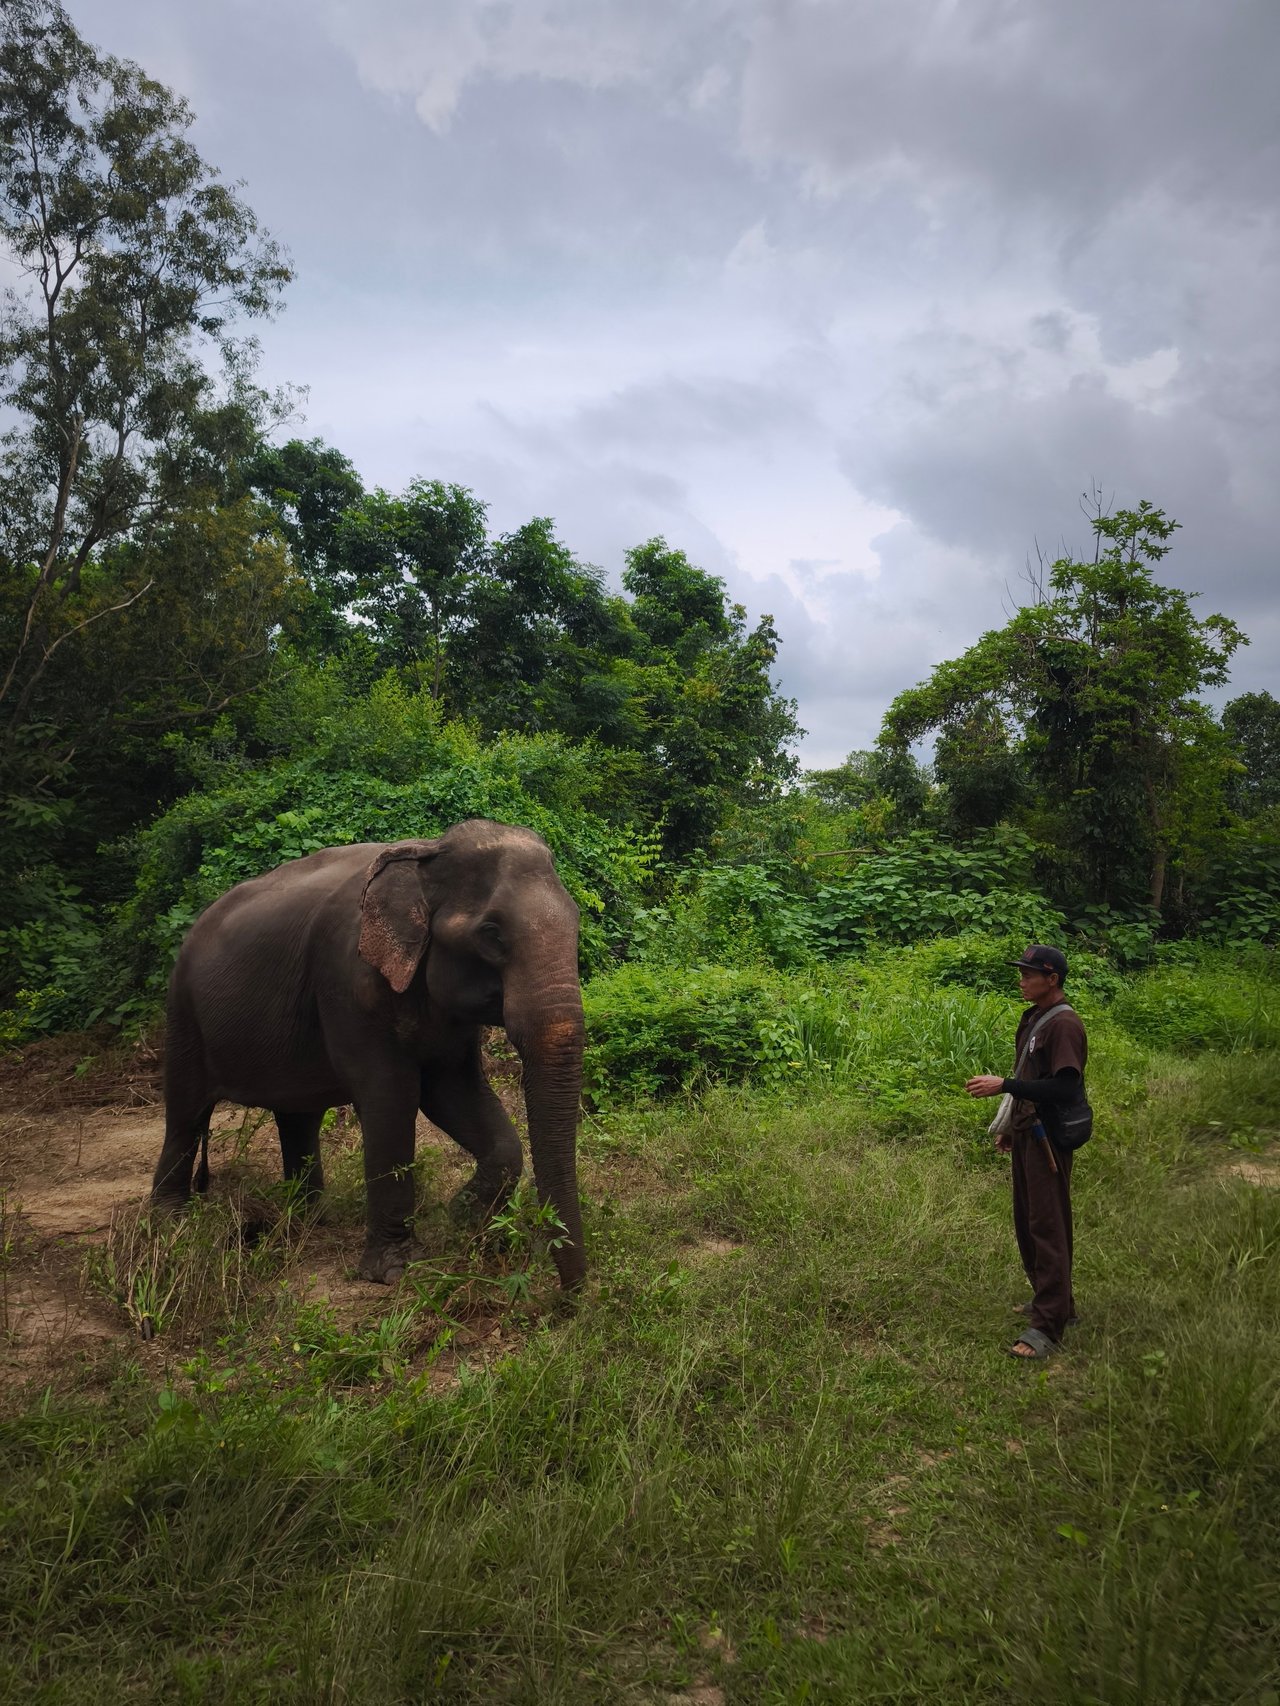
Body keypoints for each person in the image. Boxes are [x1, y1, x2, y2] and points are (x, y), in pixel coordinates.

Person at [966, 946, 1088, 1360]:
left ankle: (1048, 1326)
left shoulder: (1064, 1025)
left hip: (1049, 1140)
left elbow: (1065, 1087)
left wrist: (1005, 1086)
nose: (1021, 979)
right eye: (1020, 972)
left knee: (1047, 1225)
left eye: (1028, 973)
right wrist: (1012, 1128)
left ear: (1051, 978)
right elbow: (1031, 1078)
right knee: (1029, 1220)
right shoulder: (1035, 1017)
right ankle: (1055, 1302)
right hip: (1029, 1134)